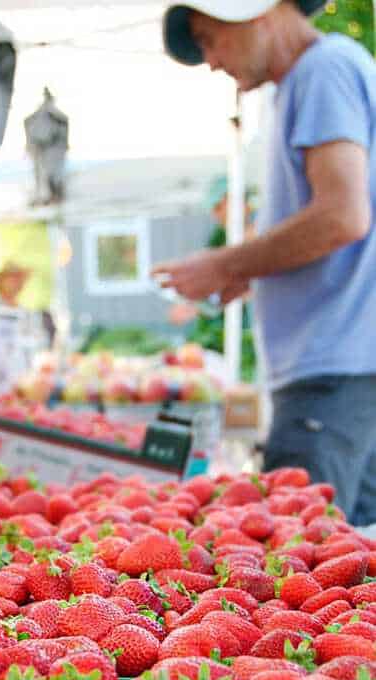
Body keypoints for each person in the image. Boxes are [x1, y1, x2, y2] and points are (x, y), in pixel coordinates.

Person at [155, 0, 376, 524]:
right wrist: (250, 273)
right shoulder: (320, 75)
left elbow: (343, 216)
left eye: (211, 38)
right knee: (352, 569)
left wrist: (228, 263)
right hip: (348, 365)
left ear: (258, 10)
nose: (210, 61)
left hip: (331, 371)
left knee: (296, 553)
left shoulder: (322, 71)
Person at [0, 261, 55, 394]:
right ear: (0, 280)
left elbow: (38, 348)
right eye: (13, 277)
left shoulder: (28, 313)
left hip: (24, 387)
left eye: (20, 277)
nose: (18, 282)